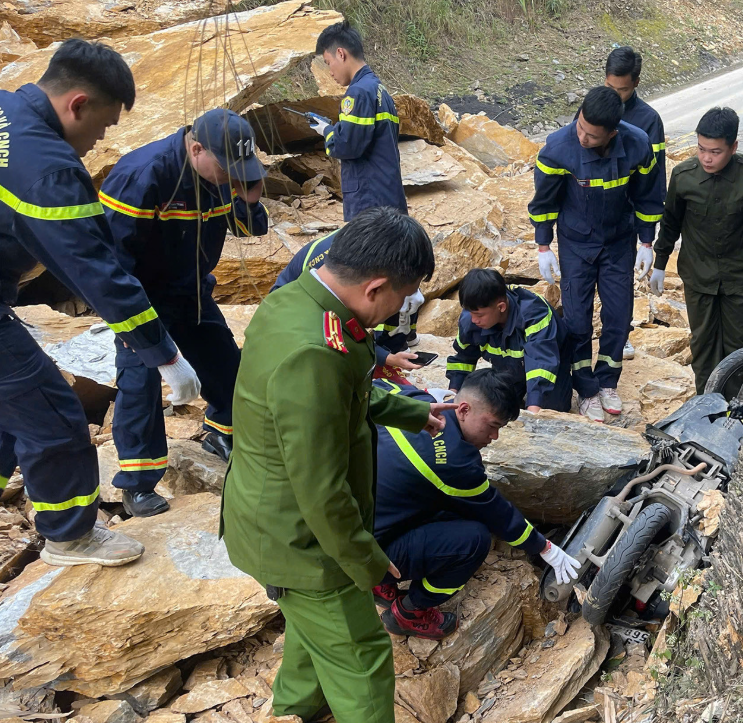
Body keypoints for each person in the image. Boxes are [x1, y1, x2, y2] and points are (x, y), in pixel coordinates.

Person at [221, 207, 455, 723]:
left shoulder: (298, 300)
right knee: (362, 658)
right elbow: (322, 490)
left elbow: (337, 402)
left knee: (313, 636)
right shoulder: (315, 351)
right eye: (405, 293)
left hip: (277, 520)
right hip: (300, 540)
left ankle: (296, 712)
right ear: (375, 287)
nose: (405, 306)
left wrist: (412, 412)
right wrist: (367, 560)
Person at [0, 39, 202, 566]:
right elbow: (101, 276)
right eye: (104, 125)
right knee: (55, 419)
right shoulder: (48, 170)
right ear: (78, 104)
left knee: (9, 410)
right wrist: (165, 355)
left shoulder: (5, 110)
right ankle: (70, 536)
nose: (98, 141)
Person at [97, 109, 269, 517]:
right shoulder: (143, 176)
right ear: (196, 148)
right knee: (140, 386)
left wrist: (249, 198)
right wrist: (138, 331)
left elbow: (250, 231)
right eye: (228, 168)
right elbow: (109, 264)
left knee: (227, 366)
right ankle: (137, 484)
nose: (231, 175)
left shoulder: (222, 174)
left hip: (191, 291)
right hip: (139, 297)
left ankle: (220, 432)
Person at [373, 370, 580, 640]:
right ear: (464, 409)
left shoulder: (405, 397)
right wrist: (544, 547)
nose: (494, 436)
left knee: (440, 503)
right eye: (492, 425)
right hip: (365, 556)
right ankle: (409, 612)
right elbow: (498, 514)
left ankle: (381, 585)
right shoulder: (456, 462)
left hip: (346, 524)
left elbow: (374, 383)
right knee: (474, 540)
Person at [529, 86, 663, 423]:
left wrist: (647, 242)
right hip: (576, 243)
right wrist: (543, 245)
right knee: (577, 319)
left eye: (592, 135)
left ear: (613, 133)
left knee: (618, 316)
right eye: (581, 128)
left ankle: (606, 381)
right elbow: (545, 201)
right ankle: (586, 389)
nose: (583, 137)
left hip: (619, 241)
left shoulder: (637, 146)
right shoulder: (559, 149)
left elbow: (648, 196)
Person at [651, 108, 743, 394]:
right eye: (701, 149)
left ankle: (734, 406)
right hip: (698, 274)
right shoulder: (684, 176)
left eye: (716, 151)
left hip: (736, 274)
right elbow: (670, 223)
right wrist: (660, 263)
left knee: (735, 344)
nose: (707, 158)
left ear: (733, 147)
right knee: (703, 342)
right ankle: (705, 403)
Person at [271, 228, 425, 384]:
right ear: (374, 287)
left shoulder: (378, 251)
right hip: (289, 310)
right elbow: (341, 335)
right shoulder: (334, 282)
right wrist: (384, 357)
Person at [603, 47, 667, 362]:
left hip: (625, 216)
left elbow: (653, 181)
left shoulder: (648, 121)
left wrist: (647, 237)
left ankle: (618, 337)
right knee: (581, 282)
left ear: (637, 82)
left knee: (619, 281)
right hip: (588, 214)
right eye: (611, 88)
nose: (615, 96)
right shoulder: (593, 107)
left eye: (623, 90)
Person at [307, 21, 407, 220]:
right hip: (387, 196)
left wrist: (327, 131)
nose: (330, 72)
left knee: (368, 252)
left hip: (369, 202)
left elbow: (347, 146)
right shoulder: (379, 89)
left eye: (328, 63)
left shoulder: (358, 93)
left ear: (341, 54)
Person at [446, 268, 573, 412]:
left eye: (479, 315)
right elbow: (463, 358)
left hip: (552, 362)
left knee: (552, 408)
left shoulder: (534, 315)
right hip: (508, 366)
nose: (474, 320)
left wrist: (533, 413)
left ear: (501, 307)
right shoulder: (471, 317)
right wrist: (453, 396)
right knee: (496, 406)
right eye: (470, 313)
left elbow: (541, 363)